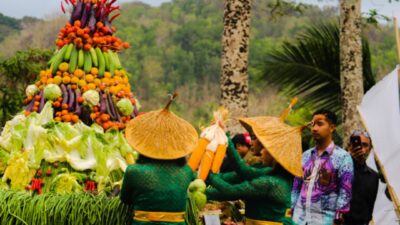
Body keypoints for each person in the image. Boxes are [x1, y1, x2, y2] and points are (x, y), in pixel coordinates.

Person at [206, 115, 304, 225]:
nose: (262, 151)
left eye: (265, 148)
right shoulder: (270, 172)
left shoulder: (270, 182)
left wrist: (207, 174)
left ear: (274, 154)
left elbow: (232, 191)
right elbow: (240, 174)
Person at [120, 94, 198, 225]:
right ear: (177, 147)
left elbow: (126, 200)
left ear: (145, 145)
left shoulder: (134, 171)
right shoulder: (187, 172)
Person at [291, 109, 354, 225]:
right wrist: (292, 209)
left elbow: (345, 193)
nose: (314, 128)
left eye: (320, 124)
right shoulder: (305, 156)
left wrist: (338, 220)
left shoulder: (343, 157)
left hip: (324, 220)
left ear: (332, 127)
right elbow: (296, 186)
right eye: (313, 124)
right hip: (298, 220)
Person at [342, 130, 379, 225]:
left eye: (365, 145)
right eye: (357, 144)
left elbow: (369, 209)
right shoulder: (338, 169)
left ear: (370, 148)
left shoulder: (374, 176)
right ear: (349, 146)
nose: (361, 147)